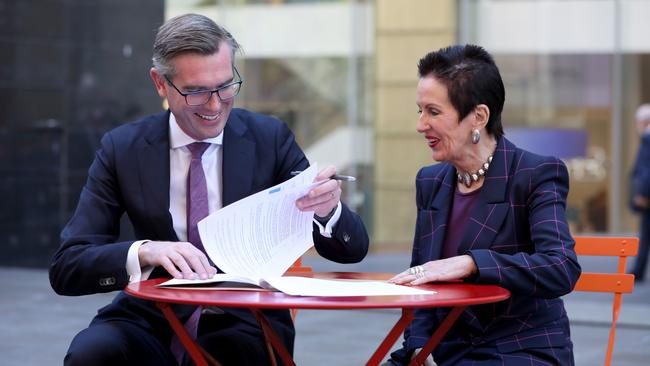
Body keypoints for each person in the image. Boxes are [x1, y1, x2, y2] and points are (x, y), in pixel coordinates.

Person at [49, 13, 369, 366]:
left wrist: (327, 210)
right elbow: (68, 266)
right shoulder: (122, 148)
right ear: (160, 83)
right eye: (197, 91)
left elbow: (351, 251)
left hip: (246, 320)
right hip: (152, 314)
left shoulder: (270, 139)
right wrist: (144, 251)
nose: (216, 105)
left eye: (226, 85)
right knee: (91, 353)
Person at [386, 45, 581, 365]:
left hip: (520, 348)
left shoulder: (535, 173)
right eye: (419, 110)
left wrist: (471, 263)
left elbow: (561, 268)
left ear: (478, 116)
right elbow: (421, 281)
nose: (421, 125)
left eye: (433, 112)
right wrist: (421, 349)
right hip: (446, 349)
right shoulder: (430, 181)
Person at [630, 104, 650, 282]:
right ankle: (638, 270)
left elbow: (645, 169)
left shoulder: (647, 138)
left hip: (648, 196)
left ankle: (638, 271)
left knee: (645, 233)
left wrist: (642, 193)